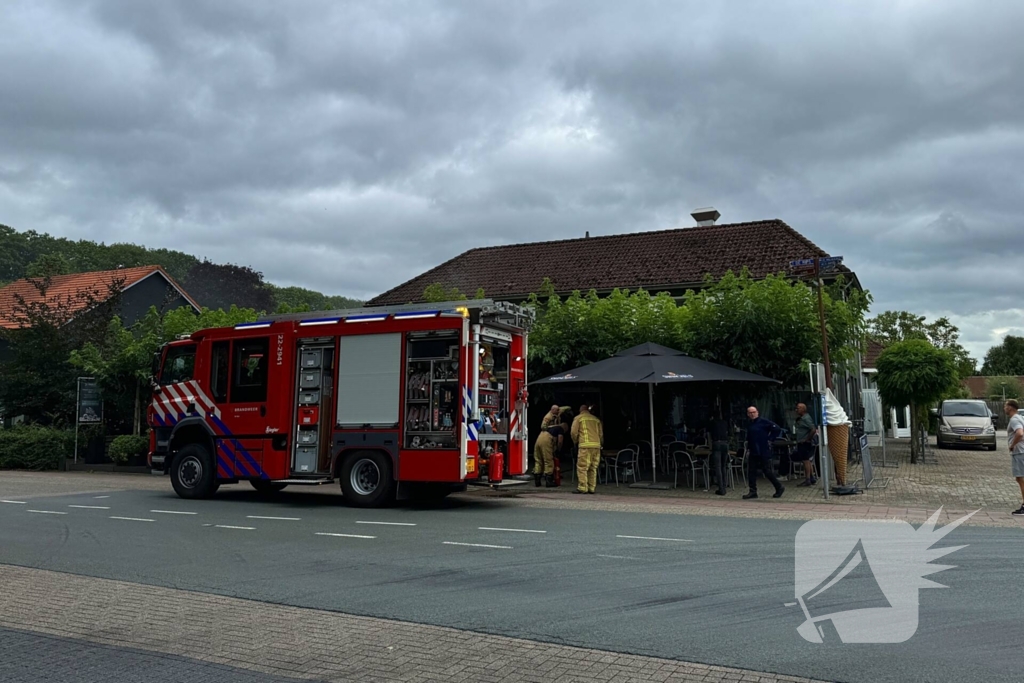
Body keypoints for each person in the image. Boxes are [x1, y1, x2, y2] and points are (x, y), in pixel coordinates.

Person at [744, 405, 785, 499]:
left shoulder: (763, 422)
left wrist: (770, 439)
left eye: (753, 412)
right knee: (751, 471)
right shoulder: (750, 424)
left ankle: (779, 486)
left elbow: (777, 429)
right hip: (753, 450)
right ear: (747, 414)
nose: (752, 414)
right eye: (750, 413)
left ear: (757, 412)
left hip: (763, 450)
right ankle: (752, 491)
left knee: (766, 470)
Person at [571, 404, 603, 494]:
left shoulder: (578, 418)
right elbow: (600, 434)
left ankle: (582, 487)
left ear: (580, 410)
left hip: (585, 445)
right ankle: (592, 488)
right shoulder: (596, 419)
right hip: (596, 446)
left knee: (582, 467)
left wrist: (575, 441)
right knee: (593, 467)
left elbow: (573, 432)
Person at [533, 416, 567, 487]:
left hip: (538, 439)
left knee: (538, 460)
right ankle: (549, 482)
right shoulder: (560, 429)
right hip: (546, 440)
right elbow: (560, 441)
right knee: (548, 461)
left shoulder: (550, 426)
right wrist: (558, 450)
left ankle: (537, 481)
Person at [1004, 399, 1024, 516]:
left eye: (1005, 406)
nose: (1004, 408)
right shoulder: (1020, 417)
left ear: (1010, 407)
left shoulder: (1014, 419)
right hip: (1021, 451)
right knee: (1019, 478)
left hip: (1019, 452)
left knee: (1020, 478)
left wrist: (1012, 445)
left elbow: (1020, 433)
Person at [794, 403, 818, 487]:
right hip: (803, 442)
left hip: (804, 443)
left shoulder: (805, 418)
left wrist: (807, 439)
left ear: (803, 409)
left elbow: (813, 429)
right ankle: (811, 477)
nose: (796, 410)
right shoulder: (802, 418)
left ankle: (807, 479)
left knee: (806, 461)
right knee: (808, 461)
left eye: (798, 408)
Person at [710, 408, 730, 496]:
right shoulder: (724, 422)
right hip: (725, 443)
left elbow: (709, 434)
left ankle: (721, 488)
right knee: (724, 466)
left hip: (716, 443)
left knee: (718, 466)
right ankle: (724, 486)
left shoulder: (712, 423)